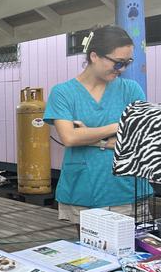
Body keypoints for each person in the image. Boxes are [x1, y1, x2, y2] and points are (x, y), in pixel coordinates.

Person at [44, 25, 145, 225]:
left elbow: (142, 139)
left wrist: (90, 139)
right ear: (94, 56)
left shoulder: (131, 89)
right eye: (118, 63)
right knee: (88, 253)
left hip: (125, 188)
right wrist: (118, 127)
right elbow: (70, 138)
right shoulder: (63, 92)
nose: (122, 69)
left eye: (127, 63)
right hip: (83, 189)